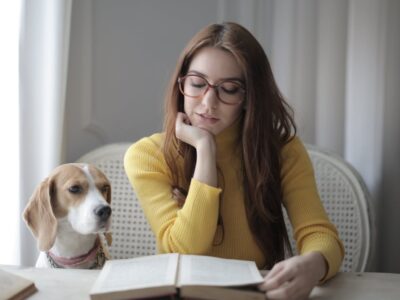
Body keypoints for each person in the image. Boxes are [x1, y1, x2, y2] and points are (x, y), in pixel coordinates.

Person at [124, 22, 344, 300]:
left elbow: (319, 233)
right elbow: (183, 250)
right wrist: (205, 149)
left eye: (228, 89)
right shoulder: (148, 156)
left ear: (249, 97)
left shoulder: (283, 151)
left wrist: (314, 264)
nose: (208, 102)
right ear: (181, 85)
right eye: (197, 83)